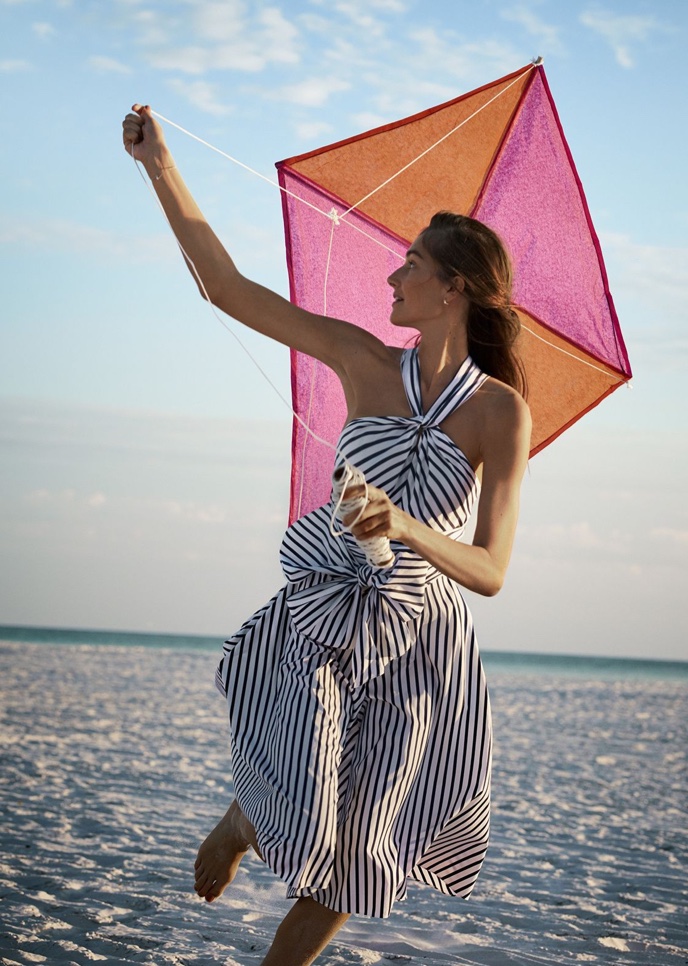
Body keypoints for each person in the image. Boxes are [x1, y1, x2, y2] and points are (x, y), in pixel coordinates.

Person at [122, 104, 532, 966]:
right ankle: (244, 819)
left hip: (418, 639)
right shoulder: (361, 358)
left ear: (453, 287)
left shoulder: (502, 412)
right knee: (300, 766)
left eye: (411, 264)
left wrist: (407, 525)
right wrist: (160, 166)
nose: (393, 277)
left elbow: (491, 569)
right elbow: (227, 289)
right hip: (329, 605)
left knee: (352, 864)